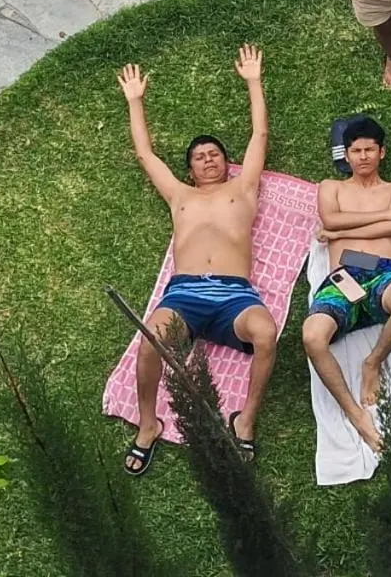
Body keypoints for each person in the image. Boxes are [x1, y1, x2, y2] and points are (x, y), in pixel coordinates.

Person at [116, 44, 277, 474]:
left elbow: (259, 136)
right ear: (189, 170)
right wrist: (135, 101)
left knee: (266, 333)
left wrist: (254, 82)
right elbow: (146, 155)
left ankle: (246, 421)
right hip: (185, 294)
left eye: (215, 155)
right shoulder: (179, 195)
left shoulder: (243, 189)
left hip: (234, 295)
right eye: (199, 157)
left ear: (228, 163)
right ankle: (148, 425)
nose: (208, 160)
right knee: (150, 339)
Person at [302, 116, 391, 452]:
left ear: (382, 152)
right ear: (347, 155)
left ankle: (373, 361)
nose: (363, 156)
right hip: (346, 274)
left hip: (383, 270)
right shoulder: (331, 188)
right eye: (356, 150)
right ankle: (354, 413)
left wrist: (339, 233)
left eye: (369, 149)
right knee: (312, 336)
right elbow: (331, 218)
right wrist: (379, 219)